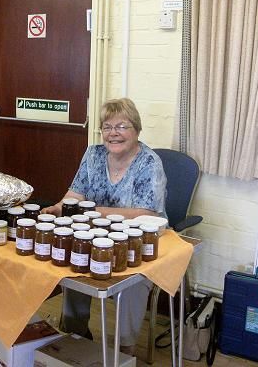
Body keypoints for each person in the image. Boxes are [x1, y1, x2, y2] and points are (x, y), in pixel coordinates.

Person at [42, 97, 167, 356]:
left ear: (136, 130)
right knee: (76, 264)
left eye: (122, 126)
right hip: (96, 236)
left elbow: (146, 212)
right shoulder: (93, 154)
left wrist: (95, 211)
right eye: (107, 126)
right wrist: (58, 207)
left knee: (133, 281)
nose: (113, 133)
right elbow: (75, 194)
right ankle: (75, 335)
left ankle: (125, 347)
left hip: (141, 242)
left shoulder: (149, 163)